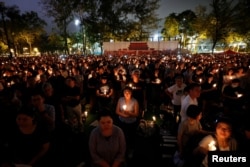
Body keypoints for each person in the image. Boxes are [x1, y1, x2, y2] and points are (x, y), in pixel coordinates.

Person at [115, 86, 139, 152]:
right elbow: (117, 111)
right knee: (122, 136)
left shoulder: (134, 101)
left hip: (131, 123)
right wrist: (124, 115)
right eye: (125, 92)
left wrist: (129, 113)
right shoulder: (120, 100)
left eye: (128, 92)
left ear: (131, 93)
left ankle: (130, 149)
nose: (127, 94)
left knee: (130, 137)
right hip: (122, 121)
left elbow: (136, 114)